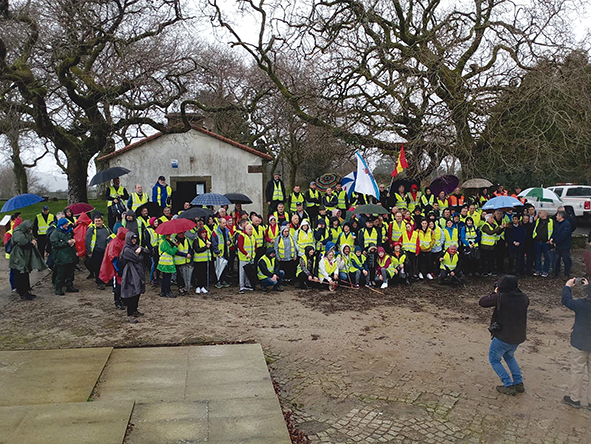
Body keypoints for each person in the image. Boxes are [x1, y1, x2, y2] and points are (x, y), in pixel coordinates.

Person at [479, 275, 529, 396]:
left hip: (503, 336)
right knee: (509, 356)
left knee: (494, 359)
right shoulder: (524, 297)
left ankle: (508, 384)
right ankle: (518, 382)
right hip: (518, 336)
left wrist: (495, 293)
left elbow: (482, 302)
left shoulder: (501, 298)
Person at [561, 278, 591, 409]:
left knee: (577, 371)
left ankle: (575, 398)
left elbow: (566, 300)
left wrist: (568, 286)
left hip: (580, 341)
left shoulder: (581, 304)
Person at [9, 220, 47, 301]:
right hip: (18, 258)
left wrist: (32, 240)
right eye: (29, 228)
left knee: (25, 275)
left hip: (24, 257)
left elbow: (31, 237)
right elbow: (23, 243)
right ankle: (22, 293)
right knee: (20, 276)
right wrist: (32, 243)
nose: (30, 230)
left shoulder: (24, 232)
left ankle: (26, 291)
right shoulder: (18, 233)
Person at [119, 232, 149, 323]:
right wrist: (141, 252)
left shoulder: (135, 247)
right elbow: (137, 258)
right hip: (130, 273)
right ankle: (130, 313)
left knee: (138, 291)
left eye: (135, 238)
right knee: (132, 292)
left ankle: (135, 310)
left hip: (138, 272)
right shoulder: (127, 249)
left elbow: (147, 252)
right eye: (132, 239)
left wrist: (141, 249)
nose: (134, 240)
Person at [99, 227, 129, 310]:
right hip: (117, 267)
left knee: (123, 284)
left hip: (123, 265)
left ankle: (123, 299)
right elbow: (113, 257)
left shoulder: (123, 241)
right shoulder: (115, 243)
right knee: (118, 286)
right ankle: (117, 301)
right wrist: (118, 269)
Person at [85, 213, 114, 290]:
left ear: (102, 221)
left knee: (105, 266)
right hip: (96, 251)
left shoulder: (106, 228)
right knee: (97, 268)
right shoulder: (91, 229)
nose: (97, 222)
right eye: (96, 221)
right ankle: (99, 282)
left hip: (105, 251)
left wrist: (110, 237)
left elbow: (113, 235)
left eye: (99, 221)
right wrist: (89, 252)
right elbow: (87, 241)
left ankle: (106, 281)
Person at [50, 219, 79, 296]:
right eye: (65, 224)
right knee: (61, 274)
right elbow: (55, 244)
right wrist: (66, 243)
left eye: (67, 224)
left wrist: (75, 250)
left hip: (70, 256)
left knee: (70, 272)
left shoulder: (68, 232)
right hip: (60, 257)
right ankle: (58, 288)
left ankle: (69, 286)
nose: (66, 226)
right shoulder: (55, 233)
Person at [551, 210, 572, 279]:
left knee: (566, 260)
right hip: (558, 246)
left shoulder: (566, 224)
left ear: (560, 216)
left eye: (557, 215)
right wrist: (552, 238)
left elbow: (563, 235)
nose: (556, 217)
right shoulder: (558, 223)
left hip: (564, 246)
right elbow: (555, 232)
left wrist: (555, 241)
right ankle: (556, 272)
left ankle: (567, 273)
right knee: (556, 260)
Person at [237, 223, 256, 293]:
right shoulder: (242, 236)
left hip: (251, 257)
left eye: (251, 229)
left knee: (249, 272)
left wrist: (254, 253)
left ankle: (247, 284)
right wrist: (246, 254)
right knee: (242, 273)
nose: (251, 230)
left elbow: (255, 246)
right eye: (249, 229)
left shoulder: (252, 236)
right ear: (245, 229)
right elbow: (240, 246)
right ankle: (241, 286)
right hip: (243, 258)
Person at [533, 210, 553, 278]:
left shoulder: (551, 221)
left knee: (547, 257)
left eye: (540, 213)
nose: (538, 214)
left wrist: (551, 239)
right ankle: (538, 270)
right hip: (538, 241)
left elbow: (553, 230)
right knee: (538, 257)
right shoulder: (538, 220)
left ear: (544, 214)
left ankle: (545, 271)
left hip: (546, 242)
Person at [212, 217, 231, 289]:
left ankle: (223, 280)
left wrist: (229, 241)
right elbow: (214, 243)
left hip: (225, 251)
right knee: (218, 268)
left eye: (225, 223)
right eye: (223, 223)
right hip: (219, 253)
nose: (225, 224)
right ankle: (217, 281)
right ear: (219, 223)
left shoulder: (227, 231)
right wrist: (216, 252)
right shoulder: (215, 231)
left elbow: (229, 238)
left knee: (224, 267)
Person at [157, 233, 178, 298]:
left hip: (164, 263)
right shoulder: (165, 243)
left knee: (164, 277)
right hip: (167, 263)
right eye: (168, 235)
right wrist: (175, 247)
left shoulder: (164, 242)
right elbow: (171, 252)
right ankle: (168, 292)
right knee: (167, 278)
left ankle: (163, 291)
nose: (169, 236)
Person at [193, 227, 211, 294]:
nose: (204, 234)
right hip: (198, 260)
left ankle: (202, 286)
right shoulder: (196, 240)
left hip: (205, 260)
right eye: (203, 233)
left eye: (205, 233)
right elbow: (197, 250)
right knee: (198, 274)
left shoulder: (206, 240)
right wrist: (206, 247)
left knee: (203, 274)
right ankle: (198, 286)